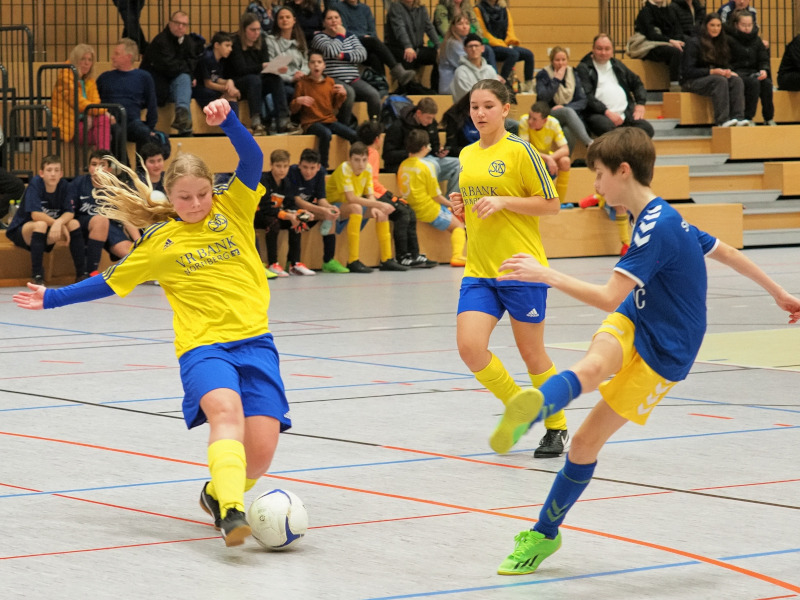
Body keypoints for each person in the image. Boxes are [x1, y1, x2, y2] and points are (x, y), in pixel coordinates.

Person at [488, 126, 800, 575]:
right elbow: (725, 250)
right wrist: (779, 292)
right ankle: (535, 409)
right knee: (593, 365)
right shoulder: (660, 216)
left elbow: (607, 295)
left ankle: (542, 530)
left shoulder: (657, 226)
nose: (594, 186)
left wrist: (546, 274)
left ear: (623, 170)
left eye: (597, 175)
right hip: (640, 316)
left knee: (583, 443)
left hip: (669, 350)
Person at [13, 99, 291, 548]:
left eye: (202, 194)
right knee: (225, 412)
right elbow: (109, 281)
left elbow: (253, 158)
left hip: (256, 343)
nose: (196, 204)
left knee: (260, 453)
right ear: (170, 196)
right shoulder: (161, 242)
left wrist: (230, 122)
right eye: (185, 197)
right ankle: (233, 512)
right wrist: (52, 298)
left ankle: (218, 493)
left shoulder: (233, 209)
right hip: (205, 348)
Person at [449, 79, 571, 460]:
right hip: (480, 268)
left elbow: (551, 203)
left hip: (521, 267)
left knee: (531, 353)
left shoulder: (521, 151)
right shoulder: (467, 154)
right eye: (474, 106)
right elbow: (477, 208)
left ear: (505, 109)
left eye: (487, 106)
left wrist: (502, 201)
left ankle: (556, 426)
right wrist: (462, 208)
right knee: (470, 348)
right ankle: (520, 404)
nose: (479, 113)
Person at [357, 120, 433, 269]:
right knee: (403, 213)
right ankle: (403, 256)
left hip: (375, 192)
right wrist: (388, 197)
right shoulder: (371, 154)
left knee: (407, 209)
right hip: (371, 195)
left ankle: (413, 254)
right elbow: (369, 183)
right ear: (377, 139)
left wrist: (390, 195)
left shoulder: (369, 152)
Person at [5, 155, 86, 285]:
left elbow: (70, 212)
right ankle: (37, 275)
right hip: (22, 231)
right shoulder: (36, 184)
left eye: (56, 170)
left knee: (74, 223)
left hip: (49, 231)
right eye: (49, 170)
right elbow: (35, 215)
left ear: (61, 174)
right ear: (41, 173)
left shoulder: (65, 186)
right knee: (41, 224)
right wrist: (56, 224)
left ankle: (81, 275)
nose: (53, 174)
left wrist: (59, 223)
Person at [326, 142, 400, 273]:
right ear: (349, 159)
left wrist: (376, 207)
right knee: (357, 208)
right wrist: (379, 204)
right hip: (333, 206)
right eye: (356, 160)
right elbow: (351, 198)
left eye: (364, 160)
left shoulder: (368, 169)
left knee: (381, 212)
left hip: (352, 205)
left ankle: (386, 259)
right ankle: (353, 260)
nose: (361, 164)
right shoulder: (345, 168)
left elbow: (369, 194)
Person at [398, 129, 466, 267]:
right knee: (459, 225)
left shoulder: (403, 164)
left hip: (410, 207)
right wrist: (451, 205)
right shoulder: (426, 166)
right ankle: (457, 256)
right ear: (424, 148)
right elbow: (436, 196)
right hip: (428, 210)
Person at [228, 12, 301, 135]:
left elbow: (266, 64)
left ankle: (284, 120)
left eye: (258, 29)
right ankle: (256, 122)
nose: (256, 33)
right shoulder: (236, 44)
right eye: (252, 30)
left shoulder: (261, 41)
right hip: (239, 82)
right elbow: (240, 69)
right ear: (244, 29)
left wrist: (276, 68)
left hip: (257, 80)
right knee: (254, 79)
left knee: (275, 79)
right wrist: (262, 66)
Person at [68, 150, 139, 273]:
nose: (97, 168)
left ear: (109, 169)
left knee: (131, 254)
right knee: (100, 220)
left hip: (110, 226)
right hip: (83, 223)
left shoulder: (116, 188)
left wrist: (139, 241)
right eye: (94, 164)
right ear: (89, 167)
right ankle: (91, 273)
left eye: (102, 164)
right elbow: (68, 211)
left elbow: (126, 219)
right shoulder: (78, 183)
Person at [290, 50, 357, 172]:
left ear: (324, 65)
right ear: (308, 65)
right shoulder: (302, 84)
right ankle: (323, 167)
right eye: (313, 62)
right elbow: (293, 110)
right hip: (310, 122)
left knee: (353, 134)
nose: (316, 65)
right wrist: (298, 101)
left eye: (319, 62)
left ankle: (354, 165)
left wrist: (342, 95)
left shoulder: (330, 82)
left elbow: (335, 105)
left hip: (329, 119)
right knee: (326, 134)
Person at [577, 34, 655, 138]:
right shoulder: (584, 68)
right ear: (593, 49)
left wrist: (640, 104)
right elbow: (588, 96)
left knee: (646, 129)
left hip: (625, 114)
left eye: (607, 49)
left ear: (612, 50)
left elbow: (637, 82)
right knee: (608, 129)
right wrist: (607, 113)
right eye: (599, 48)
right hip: (600, 114)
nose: (603, 52)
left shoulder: (617, 65)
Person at [311, 7, 381, 123]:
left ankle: (374, 126)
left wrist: (343, 56)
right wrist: (340, 36)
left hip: (353, 79)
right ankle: (344, 126)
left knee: (374, 95)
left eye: (336, 18)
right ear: (324, 23)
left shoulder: (351, 36)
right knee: (349, 93)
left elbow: (362, 55)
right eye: (329, 18)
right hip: (332, 79)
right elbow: (331, 51)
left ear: (341, 21)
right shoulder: (319, 37)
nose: (334, 21)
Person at [286, 148, 350, 273]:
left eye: (312, 168)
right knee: (301, 218)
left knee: (331, 215)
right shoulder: (292, 172)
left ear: (318, 166)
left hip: (311, 211)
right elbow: (297, 201)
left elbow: (321, 198)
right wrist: (322, 209)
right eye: (305, 167)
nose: (308, 172)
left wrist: (329, 208)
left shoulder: (320, 173)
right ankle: (291, 261)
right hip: (294, 210)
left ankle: (328, 261)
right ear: (299, 165)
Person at [382, 97, 461, 197]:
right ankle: (430, 201)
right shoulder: (398, 126)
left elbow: (434, 145)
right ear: (419, 113)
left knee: (460, 164)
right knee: (431, 165)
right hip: (406, 163)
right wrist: (412, 154)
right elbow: (388, 155)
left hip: (428, 159)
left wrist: (438, 151)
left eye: (432, 118)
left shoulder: (431, 124)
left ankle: (450, 203)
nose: (430, 121)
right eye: (428, 118)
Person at [256, 149, 316, 277]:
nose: (282, 170)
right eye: (278, 166)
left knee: (296, 223)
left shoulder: (287, 183)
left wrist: (301, 213)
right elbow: (265, 207)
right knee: (273, 222)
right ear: (271, 165)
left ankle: (294, 264)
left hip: (276, 214)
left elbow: (290, 205)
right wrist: (288, 215)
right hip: (259, 215)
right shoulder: (264, 180)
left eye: (285, 166)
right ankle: (272, 263)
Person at [329, 0, 416, 86]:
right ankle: (398, 71)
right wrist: (363, 36)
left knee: (375, 56)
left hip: (366, 43)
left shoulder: (365, 8)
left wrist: (367, 36)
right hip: (349, 43)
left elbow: (372, 31)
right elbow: (344, 30)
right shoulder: (338, 7)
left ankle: (382, 86)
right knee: (373, 41)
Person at [680, 14, 747, 127]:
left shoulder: (721, 43)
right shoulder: (693, 43)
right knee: (719, 81)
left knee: (736, 80)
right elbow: (688, 71)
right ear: (705, 26)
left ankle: (738, 118)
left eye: (718, 25)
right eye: (712, 25)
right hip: (691, 81)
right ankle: (722, 120)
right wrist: (711, 72)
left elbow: (724, 64)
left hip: (713, 78)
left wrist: (728, 71)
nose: (715, 28)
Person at [96, 38, 161, 153]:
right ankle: (124, 169)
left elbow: (152, 104)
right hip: (110, 121)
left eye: (117, 54)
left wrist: (149, 127)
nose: (112, 57)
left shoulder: (143, 77)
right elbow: (94, 102)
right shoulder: (104, 78)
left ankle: (141, 169)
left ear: (128, 57)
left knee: (143, 132)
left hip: (132, 122)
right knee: (116, 131)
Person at [140, 10, 199, 136]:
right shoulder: (161, 41)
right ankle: (185, 126)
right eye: (177, 23)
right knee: (184, 78)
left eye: (184, 24)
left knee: (184, 78)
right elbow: (170, 67)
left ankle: (183, 119)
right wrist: (188, 73)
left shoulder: (188, 42)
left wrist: (187, 72)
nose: (181, 27)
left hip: (174, 87)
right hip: (157, 88)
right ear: (170, 23)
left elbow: (193, 62)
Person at [51, 44, 113, 152]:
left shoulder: (89, 81)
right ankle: (103, 161)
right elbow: (78, 103)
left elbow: (95, 102)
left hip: (86, 122)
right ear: (75, 60)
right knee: (106, 132)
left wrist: (91, 115)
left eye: (89, 60)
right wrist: (103, 111)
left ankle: (100, 158)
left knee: (103, 124)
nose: (86, 63)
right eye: (83, 59)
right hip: (68, 125)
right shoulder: (65, 78)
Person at [535, 46, 593, 152]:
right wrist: (556, 80)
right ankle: (590, 143)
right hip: (548, 113)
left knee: (568, 129)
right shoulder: (543, 74)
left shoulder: (573, 73)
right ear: (552, 61)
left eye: (563, 60)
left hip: (571, 115)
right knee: (567, 111)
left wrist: (564, 106)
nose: (561, 63)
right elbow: (543, 98)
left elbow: (582, 100)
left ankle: (566, 162)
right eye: (557, 60)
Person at [473, 0, 535, 91]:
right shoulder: (478, 9)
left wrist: (508, 42)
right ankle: (502, 82)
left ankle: (527, 85)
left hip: (505, 45)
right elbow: (484, 33)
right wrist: (501, 44)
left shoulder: (504, 10)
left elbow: (510, 30)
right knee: (513, 54)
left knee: (528, 54)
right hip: (491, 45)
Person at [518, 101, 572, 205]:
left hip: (545, 158)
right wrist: (548, 158)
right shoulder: (524, 121)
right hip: (530, 159)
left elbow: (565, 149)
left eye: (534, 119)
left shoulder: (553, 123)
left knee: (565, 160)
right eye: (530, 116)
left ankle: (560, 203)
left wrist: (550, 158)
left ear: (545, 120)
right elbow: (525, 150)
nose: (530, 121)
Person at [727, 9, 775, 126]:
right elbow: (725, 60)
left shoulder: (757, 40)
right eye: (743, 25)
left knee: (767, 83)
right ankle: (748, 117)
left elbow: (763, 58)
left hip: (753, 72)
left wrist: (764, 69)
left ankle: (768, 118)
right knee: (753, 83)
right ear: (736, 24)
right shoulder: (729, 39)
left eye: (749, 25)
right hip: (737, 72)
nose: (747, 28)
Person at [633, 0, 686, 87]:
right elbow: (651, 35)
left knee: (689, 46)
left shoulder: (669, 10)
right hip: (649, 45)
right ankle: (675, 85)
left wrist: (678, 40)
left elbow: (677, 29)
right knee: (675, 52)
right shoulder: (645, 11)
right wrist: (671, 41)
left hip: (667, 42)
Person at [193, 31, 242, 118]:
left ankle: (235, 125)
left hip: (210, 90)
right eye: (227, 45)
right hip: (201, 90)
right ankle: (234, 126)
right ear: (216, 45)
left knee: (231, 96)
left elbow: (217, 78)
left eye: (231, 46)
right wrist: (227, 89)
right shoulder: (206, 58)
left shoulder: (221, 60)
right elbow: (208, 83)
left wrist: (229, 82)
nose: (230, 49)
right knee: (228, 96)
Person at [384, 0, 441, 75]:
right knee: (408, 57)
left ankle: (436, 85)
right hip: (399, 47)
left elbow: (429, 28)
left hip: (417, 48)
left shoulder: (422, 8)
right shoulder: (395, 7)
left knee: (440, 56)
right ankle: (409, 86)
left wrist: (439, 46)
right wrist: (408, 46)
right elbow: (400, 29)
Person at [267, 6, 310, 102]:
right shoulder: (270, 40)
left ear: (294, 20)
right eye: (281, 18)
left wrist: (302, 73)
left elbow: (306, 62)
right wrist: (291, 78)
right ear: (277, 21)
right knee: (292, 93)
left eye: (288, 17)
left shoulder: (300, 40)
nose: (284, 20)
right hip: (281, 82)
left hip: (300, 80)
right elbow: (272, 68)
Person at [451, 32, 503, 102]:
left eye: (476, 46)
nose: (474, 49)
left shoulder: (490, 70)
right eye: (470, 46)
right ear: (465, 49)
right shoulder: (461, 72)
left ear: (482, 48)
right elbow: (468, 97)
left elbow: (497, 93)